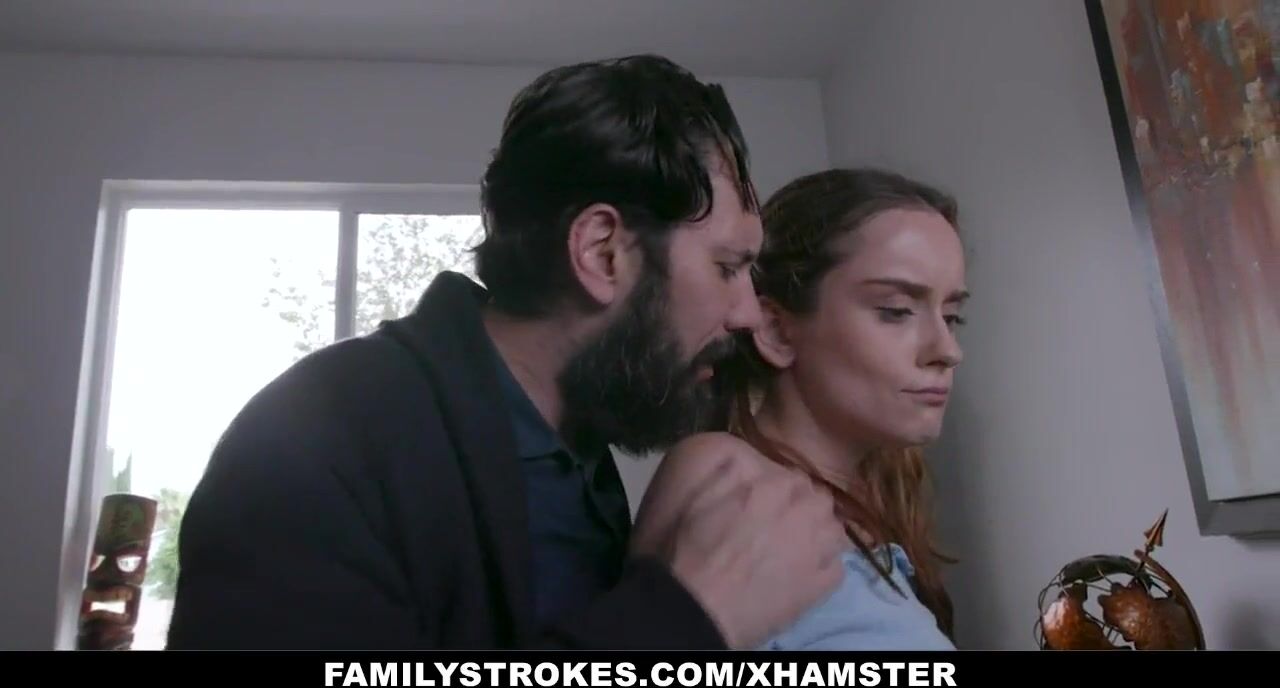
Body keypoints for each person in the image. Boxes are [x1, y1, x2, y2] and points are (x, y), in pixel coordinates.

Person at [164, 55, 846, 651]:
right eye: (728, 266)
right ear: (603, 253)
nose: (749, 313)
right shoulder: (317, 438)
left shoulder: (581, 461)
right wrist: (690, 617)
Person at [632, 167, 967, 650]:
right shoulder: (723, 473)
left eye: (952, 316)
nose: (948, 350)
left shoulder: (877, 507)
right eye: (895, 311)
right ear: (776, 330)